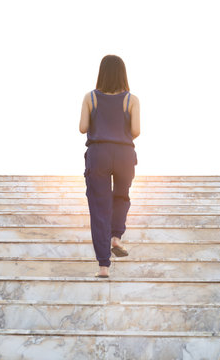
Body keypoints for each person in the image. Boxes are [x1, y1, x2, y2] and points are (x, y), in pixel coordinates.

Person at [79, 55, 141, 278]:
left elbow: (82, 127)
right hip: (124, 153)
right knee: (121, 196)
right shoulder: (131, 100)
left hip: (99, 153)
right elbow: (135, 131)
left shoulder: (90, 98)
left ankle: (103, 266)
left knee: (99, 207)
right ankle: (116, 237)